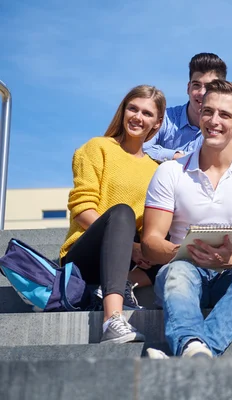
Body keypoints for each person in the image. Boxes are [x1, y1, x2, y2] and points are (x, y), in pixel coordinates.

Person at [142, 80, 232, 358]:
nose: (214, 121)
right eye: (208, 112)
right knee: (176, 272)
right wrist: (184, 252)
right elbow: (150, 242)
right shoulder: (170, 171)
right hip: (184, 271)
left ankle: (195, 348)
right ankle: (198, 349)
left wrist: (231, 260)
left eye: (225, 115)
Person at [59, 85, 166, 343]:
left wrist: (141, 249)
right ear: (123, 110)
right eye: (133, 108)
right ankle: (112, 320)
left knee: (174, 245)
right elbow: (82, 208)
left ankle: (123, 283)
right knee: (121, 213)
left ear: (157, 123)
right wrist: (129, 246)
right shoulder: (98, 148)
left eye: (147, 113)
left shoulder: (157, 169)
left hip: (129, 259)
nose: (138, 117)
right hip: (85, 256)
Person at [143, 53, 227, 162]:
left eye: (208, 87)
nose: (201, 93)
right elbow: (142, 147)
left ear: (221, 92)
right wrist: (179, 157)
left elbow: (231, 158)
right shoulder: (165, 118)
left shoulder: (226, 128)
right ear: (188, 88)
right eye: (196, 85)